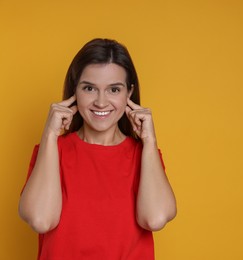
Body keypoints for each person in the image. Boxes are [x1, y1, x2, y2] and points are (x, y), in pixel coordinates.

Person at [18, 38, 177, 259]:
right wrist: (50, 135)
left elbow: (155, 218)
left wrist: (149, 141)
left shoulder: (145, 156)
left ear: (129, 93)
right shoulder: (52, 151)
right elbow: (40, 220)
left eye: (114, 89)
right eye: (90, 88)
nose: (101, 102)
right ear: (75, 91)